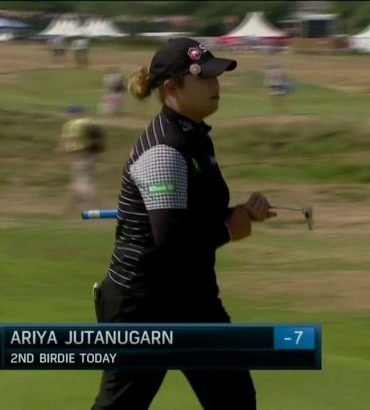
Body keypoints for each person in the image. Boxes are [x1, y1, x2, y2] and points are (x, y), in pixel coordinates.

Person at [91, 37, 275, 410]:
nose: (215, 85)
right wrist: (228, 229)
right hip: (142, 306)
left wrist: (240, 213)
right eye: (204, 78)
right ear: (172, 88)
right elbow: (171, 240)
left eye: (216, 76)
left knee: (236, 400)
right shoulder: (163, 150)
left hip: (191, 296)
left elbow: (194, 216)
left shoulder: (196, 139)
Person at [56, 105, 105, 215]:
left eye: (69, 113)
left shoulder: (72, 125)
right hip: (93, 156)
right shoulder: (91, 122)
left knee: (84, 183)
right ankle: (68, 211)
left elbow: (67, 143)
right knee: (81, 182)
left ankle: (97, 209)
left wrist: (62, 152)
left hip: (80, 156)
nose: (67, 116)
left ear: (74, 114)